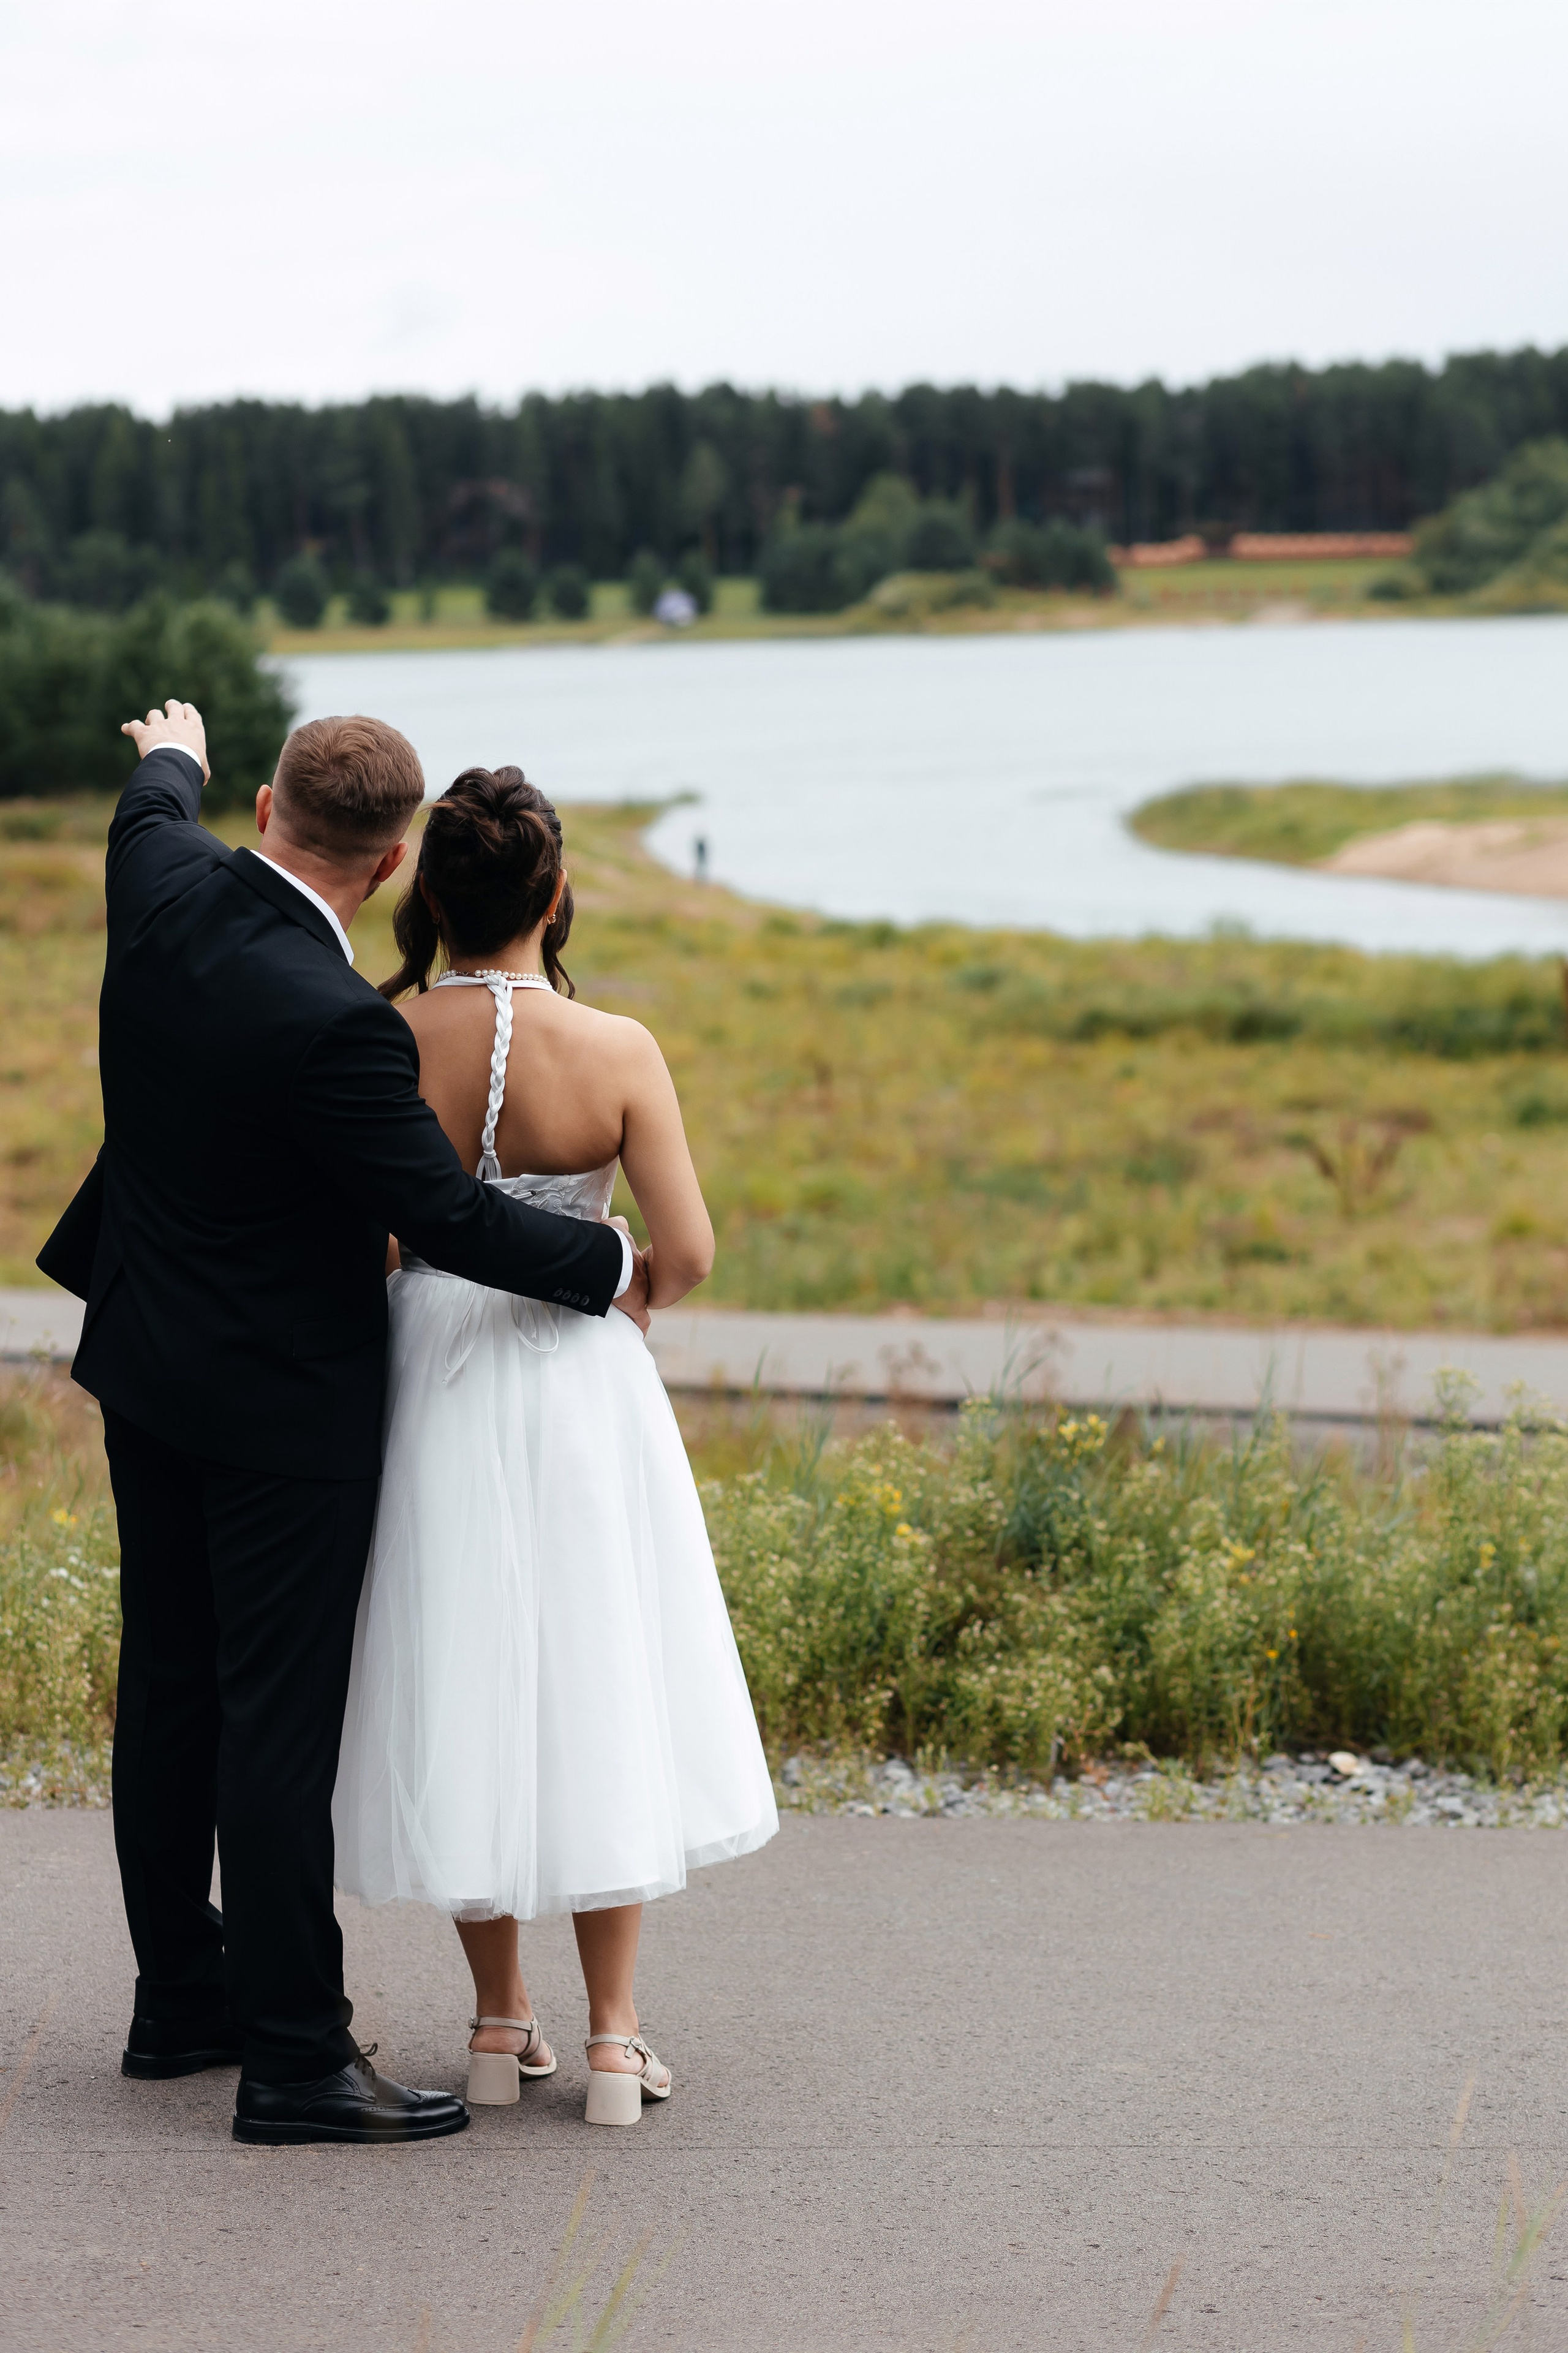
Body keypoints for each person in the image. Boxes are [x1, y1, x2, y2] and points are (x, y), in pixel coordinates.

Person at [40, 703, 650, 2146]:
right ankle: (295, 2057)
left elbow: (146, 800)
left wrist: (167, 746)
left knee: (172, 1689)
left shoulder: (162, 881)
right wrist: (607, 1266)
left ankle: (183, 1997)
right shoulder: (333, 1025)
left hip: (144, 1364)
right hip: (276, 1412)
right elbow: (441, 1217)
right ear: (386, 867)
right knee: (274, 1722)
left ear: (263, 806)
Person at [332, 766, 777, 2127]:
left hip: (435, 1370)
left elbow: (371, 1234)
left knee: (463, 1669)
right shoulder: (620, 1048)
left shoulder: (387, 1034)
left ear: (433, 892)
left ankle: (493, 2019)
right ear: (556, 892)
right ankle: (612, 2042)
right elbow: (688, 1252)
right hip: (584, 1383)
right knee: (598, 1675)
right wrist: (622, 1286)